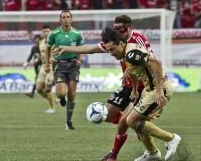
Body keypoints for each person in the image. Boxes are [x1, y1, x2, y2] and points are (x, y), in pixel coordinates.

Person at [54, 15, 152, 161]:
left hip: (142, 88)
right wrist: (67, 48)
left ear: (129, 27)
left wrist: (130, 69)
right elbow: (91, 48)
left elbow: (150, 60)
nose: (118, 30)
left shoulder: (138, 40)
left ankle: (115, 153)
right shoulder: (114, 41)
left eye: (121, 28)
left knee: (125, 122)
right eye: (116, 28)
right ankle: (131, 122)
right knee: (106, 115)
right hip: (126, 85)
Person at [101, 27, 181, 161]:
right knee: (140, 124)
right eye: (108, 50)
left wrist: (160, 90)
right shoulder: (125, 54)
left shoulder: (131, 53)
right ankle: (152, 153)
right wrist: (133, 90)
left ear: (121, 44)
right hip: (148, 90)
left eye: (113, 49)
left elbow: (156, 63)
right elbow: (133, 71)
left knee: (131, 120)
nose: (111, 53)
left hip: (159, 88)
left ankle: (171, 138)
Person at [45, 10, 84, 130]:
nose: (66, 19)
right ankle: (61, 98)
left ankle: (68, 122)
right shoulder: (54, 34)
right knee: (61, 93)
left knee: (72, 95)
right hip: (59, 66)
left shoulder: (77, 34)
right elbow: (47, 49)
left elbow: (81, 48)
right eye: (64, 17)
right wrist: (47, 65)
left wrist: (80, 60)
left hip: (73, 66)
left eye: (68, 17)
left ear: (71, 19)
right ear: (60, 19)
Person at [25, 25, 56, 114]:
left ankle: (52, 108)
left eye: (47, 31)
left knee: (47, 89)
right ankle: (53, 99)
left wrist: (53, 60)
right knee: (38, 89)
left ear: (50, 32)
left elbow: (58, 53)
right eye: (44, 31)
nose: (46, 33)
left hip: (50, 67)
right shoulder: (41, 42)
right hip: (43, 66)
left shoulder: (55, 42)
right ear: (42, 33)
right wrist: (36, 60)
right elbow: (42, 55)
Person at [23, 34, 41, 98]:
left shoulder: (43, 47)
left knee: (38, 78)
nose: (37, 42)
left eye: (38, 41)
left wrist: (38, 60)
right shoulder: (34, 48)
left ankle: (32, 93)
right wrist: (26, 62)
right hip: (36, 66)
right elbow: (30, 56)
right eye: (36, 41)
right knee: (38, 78)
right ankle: (40, 92)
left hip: (42, 65)